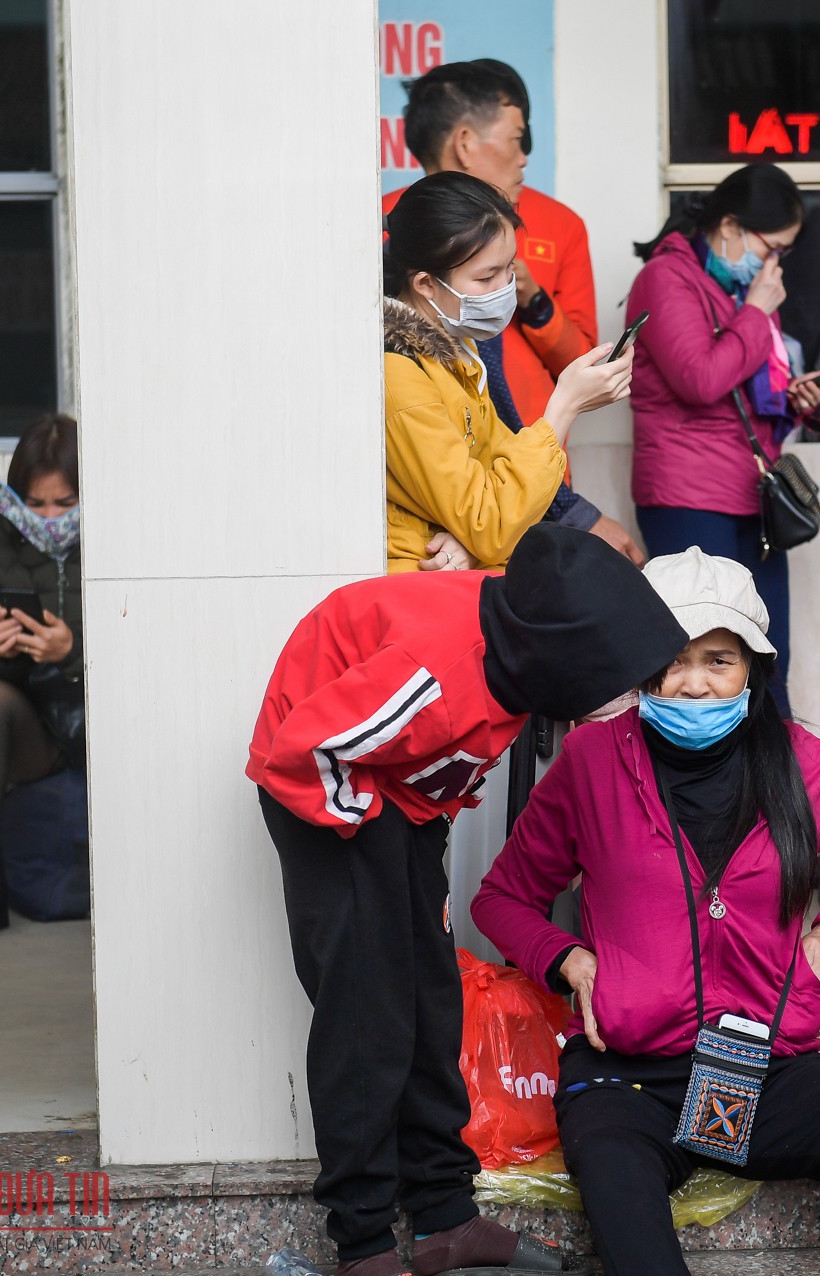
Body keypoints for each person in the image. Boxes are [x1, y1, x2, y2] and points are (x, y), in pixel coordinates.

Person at [472, 547, 820, 1276]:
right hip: (628, 1081)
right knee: (620, 1185)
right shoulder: (591, 761)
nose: (692, 684)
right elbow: (501, 897)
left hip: (765, 1069)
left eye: (719, 660)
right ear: (641, 665)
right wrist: (568, 958)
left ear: (753, 667)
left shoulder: (800, 762)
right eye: (671, 659)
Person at [247, 523, 687, 1276]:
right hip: (336, 792)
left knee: (429, 997)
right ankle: (362, 1245)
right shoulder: (436, 675)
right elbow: (298, 753)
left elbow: (444, 746)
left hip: (397, 789)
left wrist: (423, 819)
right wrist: (364, 838)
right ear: (561, 662)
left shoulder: (523, 640)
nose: (626, 703)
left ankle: (443, 1215)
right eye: (615, 686)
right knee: (367, 1013)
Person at [389, 60, 641, 564]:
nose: (525, 157)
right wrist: (563, 408)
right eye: (485, 277)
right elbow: (481, 512)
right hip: (480, 521)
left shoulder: (459, 356)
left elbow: (483, 488)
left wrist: (536, 302)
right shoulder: (402, 367)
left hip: (526, 483)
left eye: (507, 271)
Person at [626, 164, 820, 716]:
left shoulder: (740, 291)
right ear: (730, 225)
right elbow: (700, 380)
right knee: (702, 664)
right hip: (687, 496)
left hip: (749, 496)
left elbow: (745, 400)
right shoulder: (666, 279)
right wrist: (756, 314)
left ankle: (776, 796)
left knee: (765, 659)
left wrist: (793, 402)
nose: (774, 264)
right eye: (772, 248)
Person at [0, 413, 85, 942]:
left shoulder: (123, 539)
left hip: (106, 720)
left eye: (65, 503)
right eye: (36, 503)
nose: (49, 517)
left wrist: (73, 650)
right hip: (41, 729)